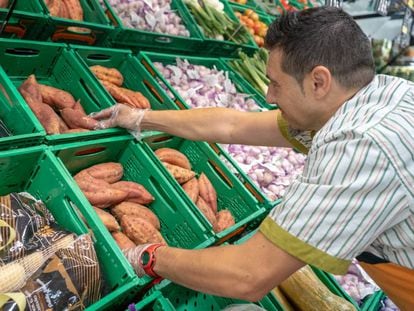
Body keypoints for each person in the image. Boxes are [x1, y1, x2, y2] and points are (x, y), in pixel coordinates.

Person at [91, 7, 414, 309]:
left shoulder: (361, 146)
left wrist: (147, 257)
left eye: (276, 84)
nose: (269, 96)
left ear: (319, 81)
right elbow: (233, 125)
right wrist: (139, 118)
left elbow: (248, 275)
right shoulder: (376, 95)